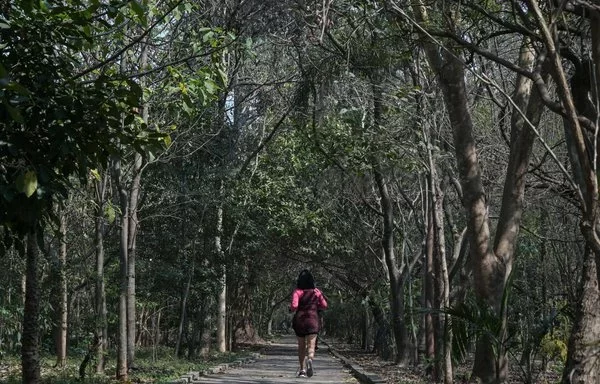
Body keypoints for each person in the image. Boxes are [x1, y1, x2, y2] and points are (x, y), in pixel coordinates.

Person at [290, 269, 328, 378]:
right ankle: (310, 359)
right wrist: (316, 306)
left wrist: (291, 309)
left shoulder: (297, 291)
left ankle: (302, 370)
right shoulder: (317, 292)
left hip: (300, 321)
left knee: (301, 346)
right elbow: (325, 305)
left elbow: (294, 306)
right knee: (311, 345)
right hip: (313, 320)